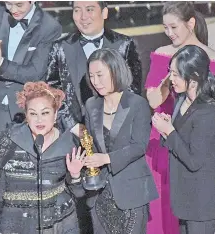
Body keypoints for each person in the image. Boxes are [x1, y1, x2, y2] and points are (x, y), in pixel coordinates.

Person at [66, 48, 158, 234]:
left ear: (116, 71)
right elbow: (91, 146)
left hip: (131, 193)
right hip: (100, 194)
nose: (95, 81)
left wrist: (106, 158)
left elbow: (139, 146)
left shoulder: (137, 104)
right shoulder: (92, 105)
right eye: (91, 76)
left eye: (100, 75)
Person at [144, 3, 215, 234]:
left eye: (173, 26)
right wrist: (170, 75)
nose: (169, 33)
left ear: (191, 23)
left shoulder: (209, 61)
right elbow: (154, 101)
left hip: (195, 144)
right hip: (167, 138)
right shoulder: (163, 55)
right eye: (165, 27)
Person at [0, 81, 80, 234]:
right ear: (26, 116)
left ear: (55, 114)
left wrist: (75, 176)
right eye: (33, 114)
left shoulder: (68, 143)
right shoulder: (11, 139)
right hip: (16, 224)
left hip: (58, 225)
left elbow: (79, 193)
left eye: (45, 113)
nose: (39, 120)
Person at [45, 1, 142, 134]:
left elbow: (132, 90)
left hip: (116, 134)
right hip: (73, 136)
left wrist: (113, 124)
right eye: (77, 10)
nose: (83, 17)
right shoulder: (59, 47)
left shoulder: (124, 44)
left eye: (89, 9)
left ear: (104, 12)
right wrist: (73, 126)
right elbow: (52, 91)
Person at [0, 1, 62, 131]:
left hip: (27, 108)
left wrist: (0, 63)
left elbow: (36, 73)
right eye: (8, 3)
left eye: (19, 5)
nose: (13, 10)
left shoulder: (49, 27)